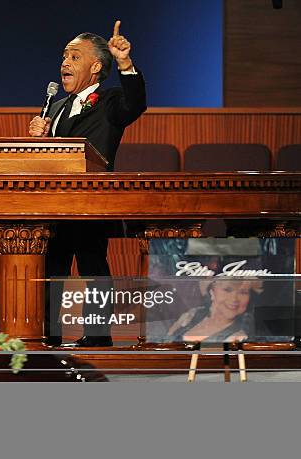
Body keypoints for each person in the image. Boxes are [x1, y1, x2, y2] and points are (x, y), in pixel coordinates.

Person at [28, 21, 147, 347]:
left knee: (92, 264)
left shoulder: (109, 103)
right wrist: (38, 141)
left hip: (90, 202)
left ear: (96, 66)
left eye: (75, 57)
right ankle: (48, 336)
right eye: (64, 56)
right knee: (52, 267)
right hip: (53, 203)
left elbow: (136, 104)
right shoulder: (57, 105)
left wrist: (124, 62)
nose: (65, 63)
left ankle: (96, 337)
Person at [167, 279, 262, 344]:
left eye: (243, 292)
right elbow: (166, 341)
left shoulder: (242, 333)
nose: (234, 299)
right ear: (212, 292)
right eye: (227, 290)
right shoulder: (193, 314)